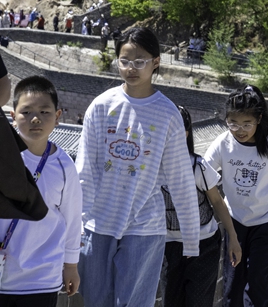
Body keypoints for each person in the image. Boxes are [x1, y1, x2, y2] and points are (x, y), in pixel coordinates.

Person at [77, 27, 201, 307]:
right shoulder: (101, 106)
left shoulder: (168, 113)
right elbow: (85, 170)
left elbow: (181, 178)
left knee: (134, 302)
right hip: (99, 220)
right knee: (96, 300)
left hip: (145, 223)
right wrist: (78, 222)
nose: (131, 68)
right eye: (124, 61)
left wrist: (191, 238)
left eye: (140, 61)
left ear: (156, 62)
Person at [205, 86, 268, 307]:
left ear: (258, 120)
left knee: (257, 279)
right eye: (233, 123)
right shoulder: (223, 143)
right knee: (233, 283)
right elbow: (203, 173)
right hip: (236, 222)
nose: (239, 130)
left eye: (246, 124)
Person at [0, 76, 82, 304]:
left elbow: (72, 219)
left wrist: (71, 265)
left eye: (44, 112)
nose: (35, 118)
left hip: (42, 276)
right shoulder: (3, 156)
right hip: (4, 275)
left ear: (57, 116)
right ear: (13, 116)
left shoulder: (65, 165)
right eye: (26, 112)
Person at [163, 105, 242, 307]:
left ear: (186, 133)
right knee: (171, 302)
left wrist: (233, 238)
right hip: (168, 245)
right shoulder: (153, 168)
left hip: (203, 243)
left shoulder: (197, 167)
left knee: (198, 302)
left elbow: (217, 202)